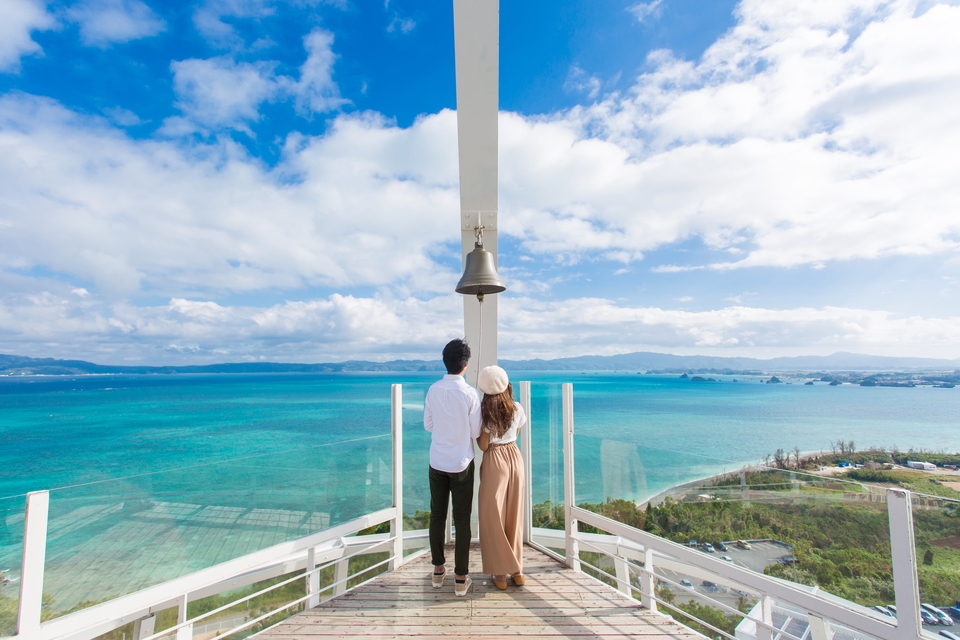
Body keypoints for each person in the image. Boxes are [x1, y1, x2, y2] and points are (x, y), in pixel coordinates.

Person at [424, 338, 482, 596]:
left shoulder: (433, 389)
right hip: (461, 463)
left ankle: (438, 571)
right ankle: (461, 577)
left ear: (445, 362)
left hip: (437, 461)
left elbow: (428, 425)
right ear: (466, 364)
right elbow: (475, 431)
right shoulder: (470, 393)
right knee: (462, 518)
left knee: (437, 515)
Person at [476, 365, 526, 590]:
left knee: (492, 516)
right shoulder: (517, 408)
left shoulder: (486, 412)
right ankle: (517, 571)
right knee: (514, 515)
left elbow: (484, 446)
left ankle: (500, 573)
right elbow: (515, 435)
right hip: (515, 458)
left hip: (496, 459)